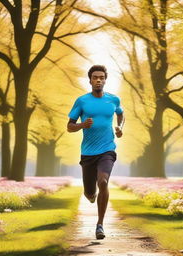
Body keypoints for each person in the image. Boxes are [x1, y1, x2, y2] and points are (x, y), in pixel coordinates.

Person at [67, 65, 124, 240]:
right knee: (90, 192)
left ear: (105, 79)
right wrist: (82, 125)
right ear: (90, 80)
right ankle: (92, 195)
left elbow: (121, 114)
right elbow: (69, 126)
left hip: (107, 149)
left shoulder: (113, 100)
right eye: (95, 77)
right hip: (88, 152)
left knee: (103, 182)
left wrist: (119, 128)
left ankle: (100, 225)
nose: (98, 80)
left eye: (101, 77)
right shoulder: (82, 101)